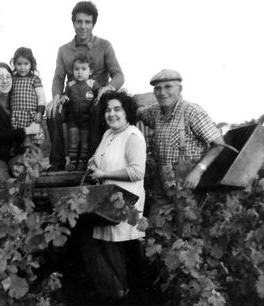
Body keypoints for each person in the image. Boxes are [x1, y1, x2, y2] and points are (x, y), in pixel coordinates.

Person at [78, 91, 146, 303]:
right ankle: (116, 292)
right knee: (102, 244)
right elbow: (99, 156)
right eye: (108, 110)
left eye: (117, 109)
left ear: (127, 112)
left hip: (126, 202)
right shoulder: (109, 134)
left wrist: (104, 174)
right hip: (108, 200)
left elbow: (137, 172)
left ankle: (120, 293)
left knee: (110, 246)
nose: (112, 114)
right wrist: (92, 163)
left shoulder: (132, 136)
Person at [137, 69, 225, 226]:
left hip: (187, 184)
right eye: (157, 88)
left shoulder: (192, 112)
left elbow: (219, 145)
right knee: (155, 229)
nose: (162, 92)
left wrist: (198, 171)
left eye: (168, 86)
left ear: (180, 89)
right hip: (162, 185)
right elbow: (135, 111)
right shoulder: (155, 112)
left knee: (185, 232)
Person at [46, 1, 124, 171]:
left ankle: (94, 161)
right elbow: (58, 78)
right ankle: (57, 163)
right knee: (52, 112)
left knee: (97, 109)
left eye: (87, 22)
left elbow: (119, 75)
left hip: (96, 100)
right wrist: (56, 97)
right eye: (79, 21)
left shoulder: (104, 46)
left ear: (93, 24)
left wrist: (107, 88)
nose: (83, 26)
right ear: (73, 23)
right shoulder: (63, 50)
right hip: (73, 101)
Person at [0, 62, 42, 187]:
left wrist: (36, 131)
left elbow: (30, 119)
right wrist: (26, 131)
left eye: (8, 77)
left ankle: (26, 206)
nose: (5, 81)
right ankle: (9, 207)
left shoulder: (16, 100)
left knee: (28, 175)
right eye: (0, 77)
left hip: (16, 155)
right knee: (4, 183)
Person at [60, 53, 100, 171]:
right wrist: (64, 98)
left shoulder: (92, 84)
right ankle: (72, 162)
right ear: (72, 71)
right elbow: (64, 96)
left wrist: (98, 99)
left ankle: (83, 162)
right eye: (76, 69)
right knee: (73, 140)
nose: (80, 72)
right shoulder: (70, 85)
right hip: (72, 118)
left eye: (83, 69)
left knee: (84, 141)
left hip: (86, 118)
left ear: (90, 71)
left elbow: (100, 94)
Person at [10, 47, 47, 148]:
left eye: (26, 64)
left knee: (33, 141)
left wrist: (40, 112)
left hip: (31, 115)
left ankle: (34, 161)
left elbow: (41, 97)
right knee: (20, 142)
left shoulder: (34, 79)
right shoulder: (12, 79)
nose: (22, 67)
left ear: (31, 64)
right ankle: (21, 161)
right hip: (16, 116)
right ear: (14, 64)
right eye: (19, 64)